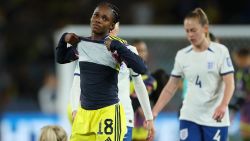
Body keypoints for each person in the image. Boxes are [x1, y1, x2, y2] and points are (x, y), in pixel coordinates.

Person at [56, 2, 153, 141]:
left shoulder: (122, 49)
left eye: (105, 18)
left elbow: (141, 71)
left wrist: (149, 117)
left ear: (113, 26)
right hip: (85, 114)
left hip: (114, 114)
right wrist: (63, 38)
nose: (98, 20)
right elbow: (63, 61)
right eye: (96, 15)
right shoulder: (83, 45)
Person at [153, 8, 235, 141]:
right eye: (187, 31)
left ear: (205, 28)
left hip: (215, 117)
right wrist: (155, 111)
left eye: (194, 30)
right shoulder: (182, 55)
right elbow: (171, 87)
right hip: (189, 116)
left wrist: (223, 105)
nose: (190, 35)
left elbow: (230, 83)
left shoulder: (220, 51)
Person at [129, 39, 157, 141]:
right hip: (123, 126)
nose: (140, 53)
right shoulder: (122, 75)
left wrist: (149, 120)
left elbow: (139, 101)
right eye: (137, 50)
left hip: (141, 131)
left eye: (143, 50)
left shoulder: (150, 80)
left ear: (147, 53)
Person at [230, 48, 250, 141]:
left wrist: (233, 109)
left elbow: (241, 94)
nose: (236, 61)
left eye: (237, 59)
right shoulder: (241, 72)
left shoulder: (245, 72)